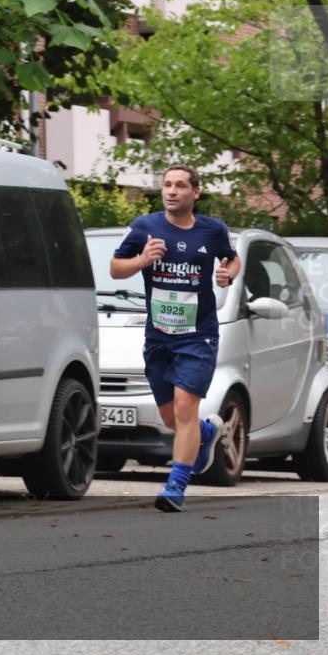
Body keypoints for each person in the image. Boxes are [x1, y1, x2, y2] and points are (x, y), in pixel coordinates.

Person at [110, 165, 241, 512]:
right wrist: (143, 259)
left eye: (180, 186)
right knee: (171, 418)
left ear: (195, 193)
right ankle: (206, 434)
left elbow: (232, 258)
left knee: (185, 408)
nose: (171, 191)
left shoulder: (213, 231)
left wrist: (227, 273)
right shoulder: (145, 227)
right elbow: (115, 267)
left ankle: (175, 486)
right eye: (167, 184)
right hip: (158, 337)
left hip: (198, 337)